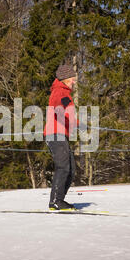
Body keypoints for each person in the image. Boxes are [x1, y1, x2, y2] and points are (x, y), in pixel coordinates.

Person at [44, 64, 80, 210]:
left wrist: (75, 122)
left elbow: (65, 112)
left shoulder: (64, 93)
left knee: (70, 169)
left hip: (59, 134)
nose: (74, 82)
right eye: (72, 79)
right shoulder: (59, 91)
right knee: (64, 166)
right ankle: (55, 201)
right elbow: (58, 110)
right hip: (54, 133)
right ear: (65, 79)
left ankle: (59, 200)